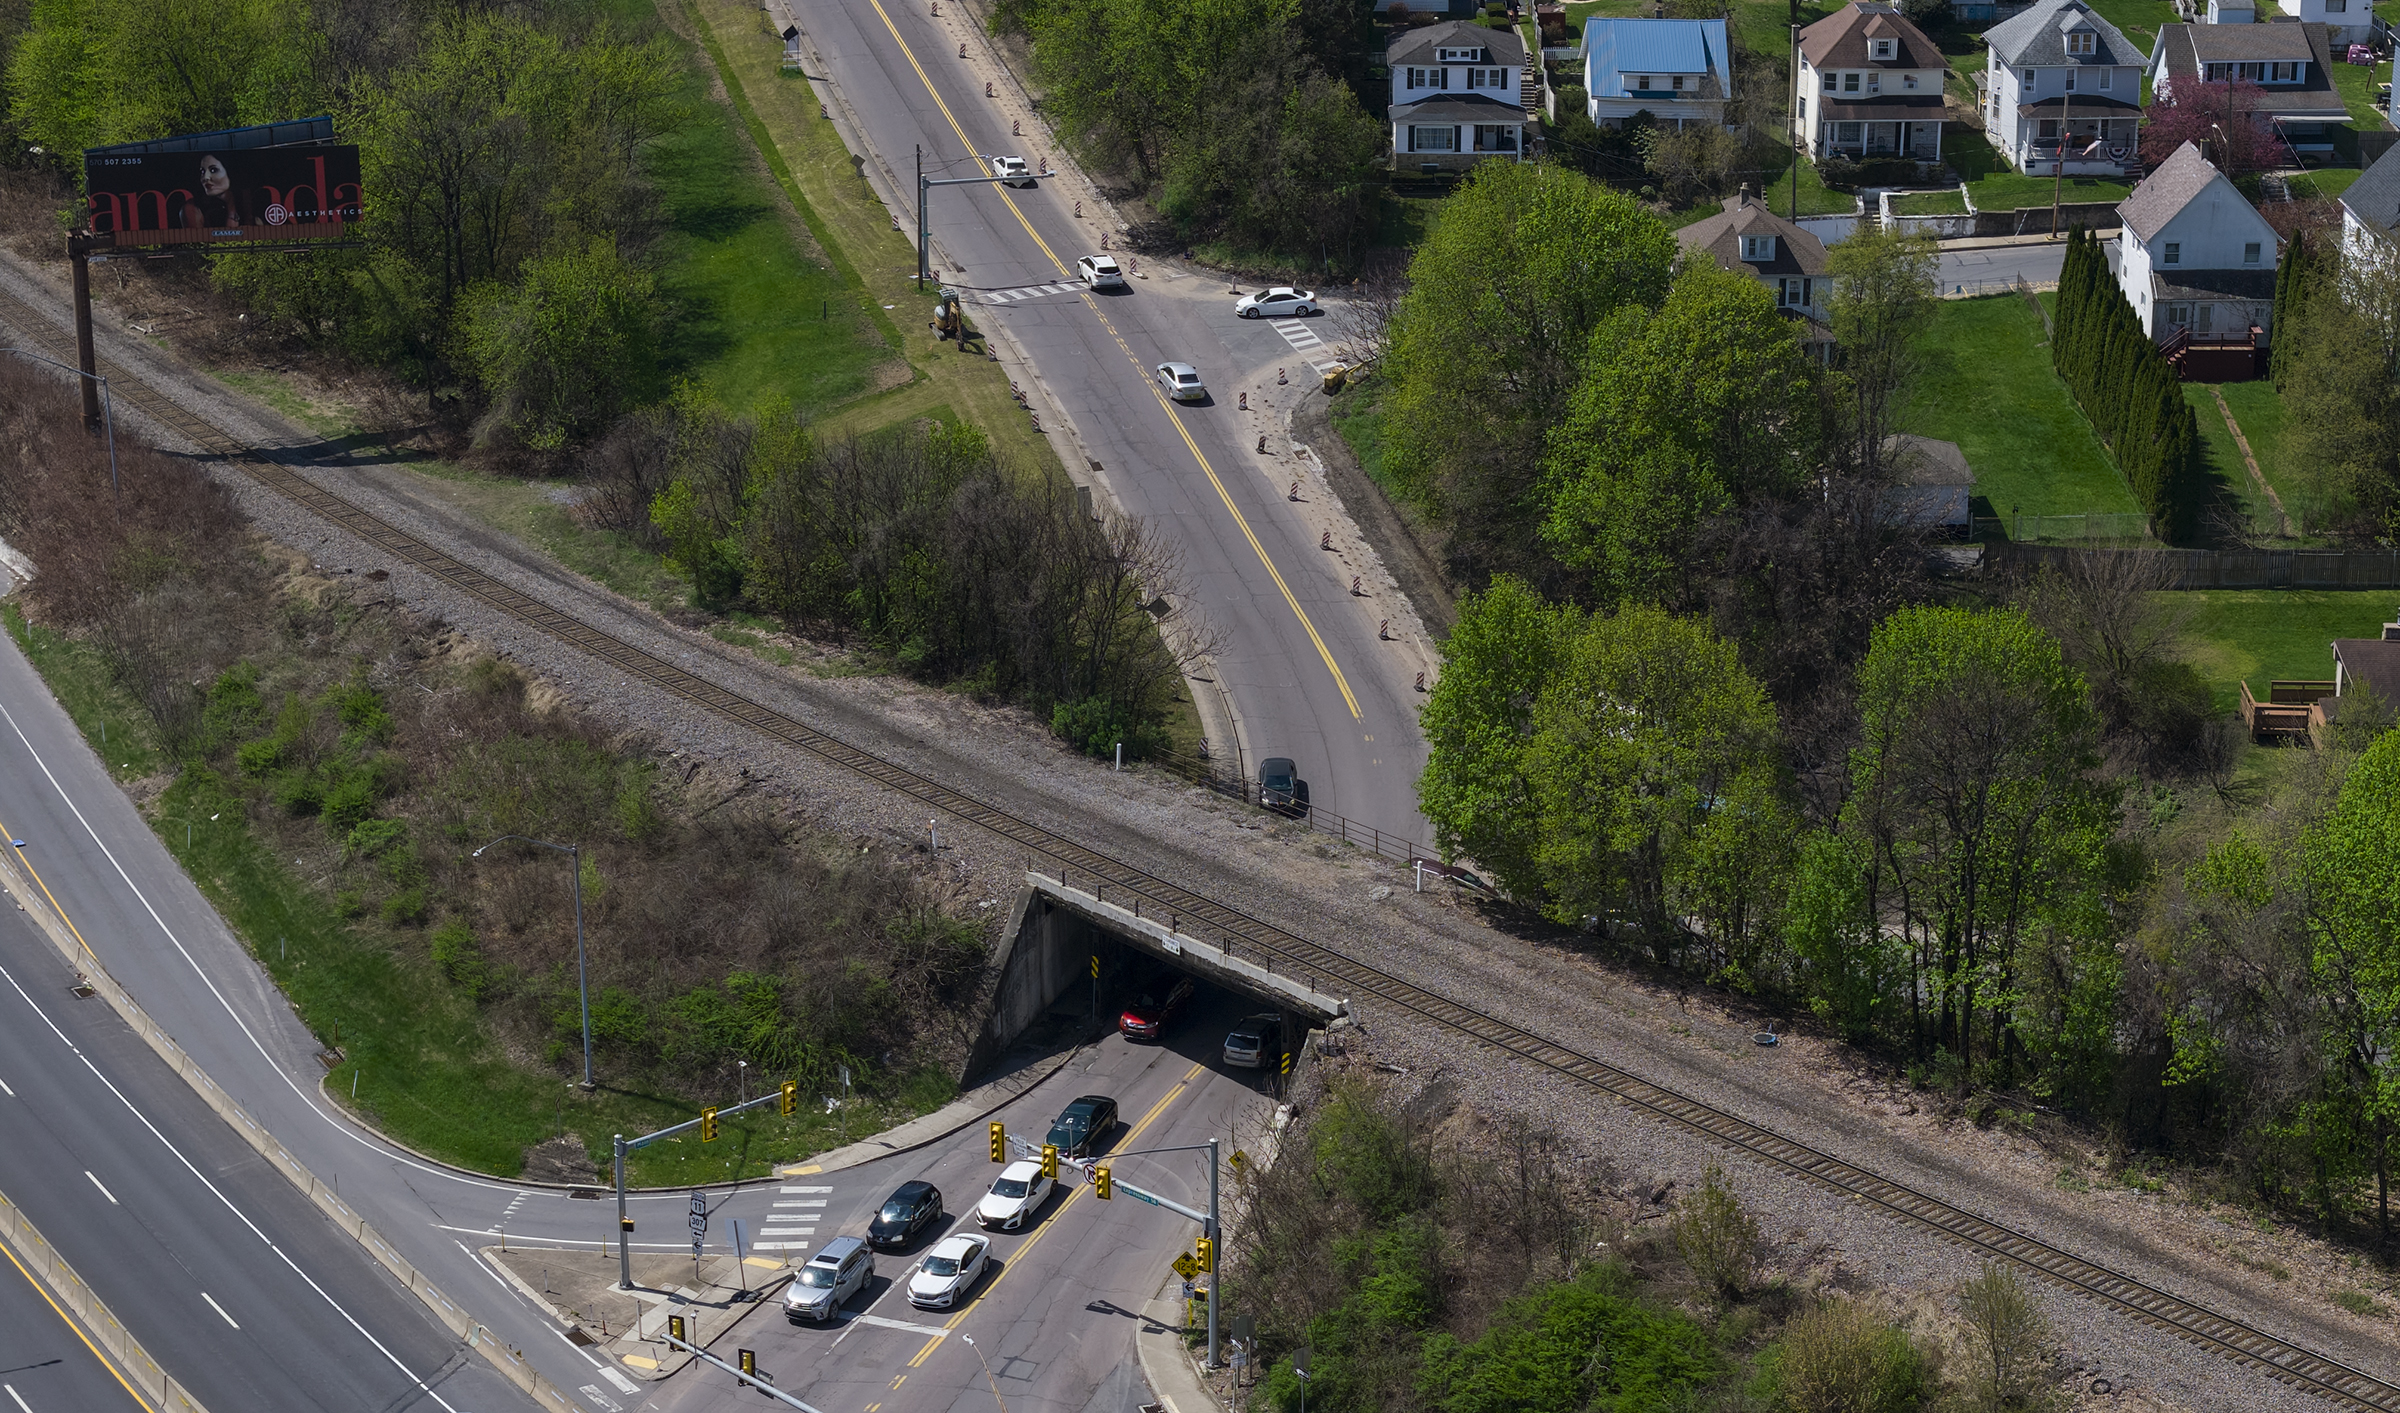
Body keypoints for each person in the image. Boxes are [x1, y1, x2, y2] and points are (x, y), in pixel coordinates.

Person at [176, 153, 248, 229]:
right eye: (203, 172)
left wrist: (231, 206)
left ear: (229, 171)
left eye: (213, 170)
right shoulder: (192, 208)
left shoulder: (245, 199)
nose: (205, 177)